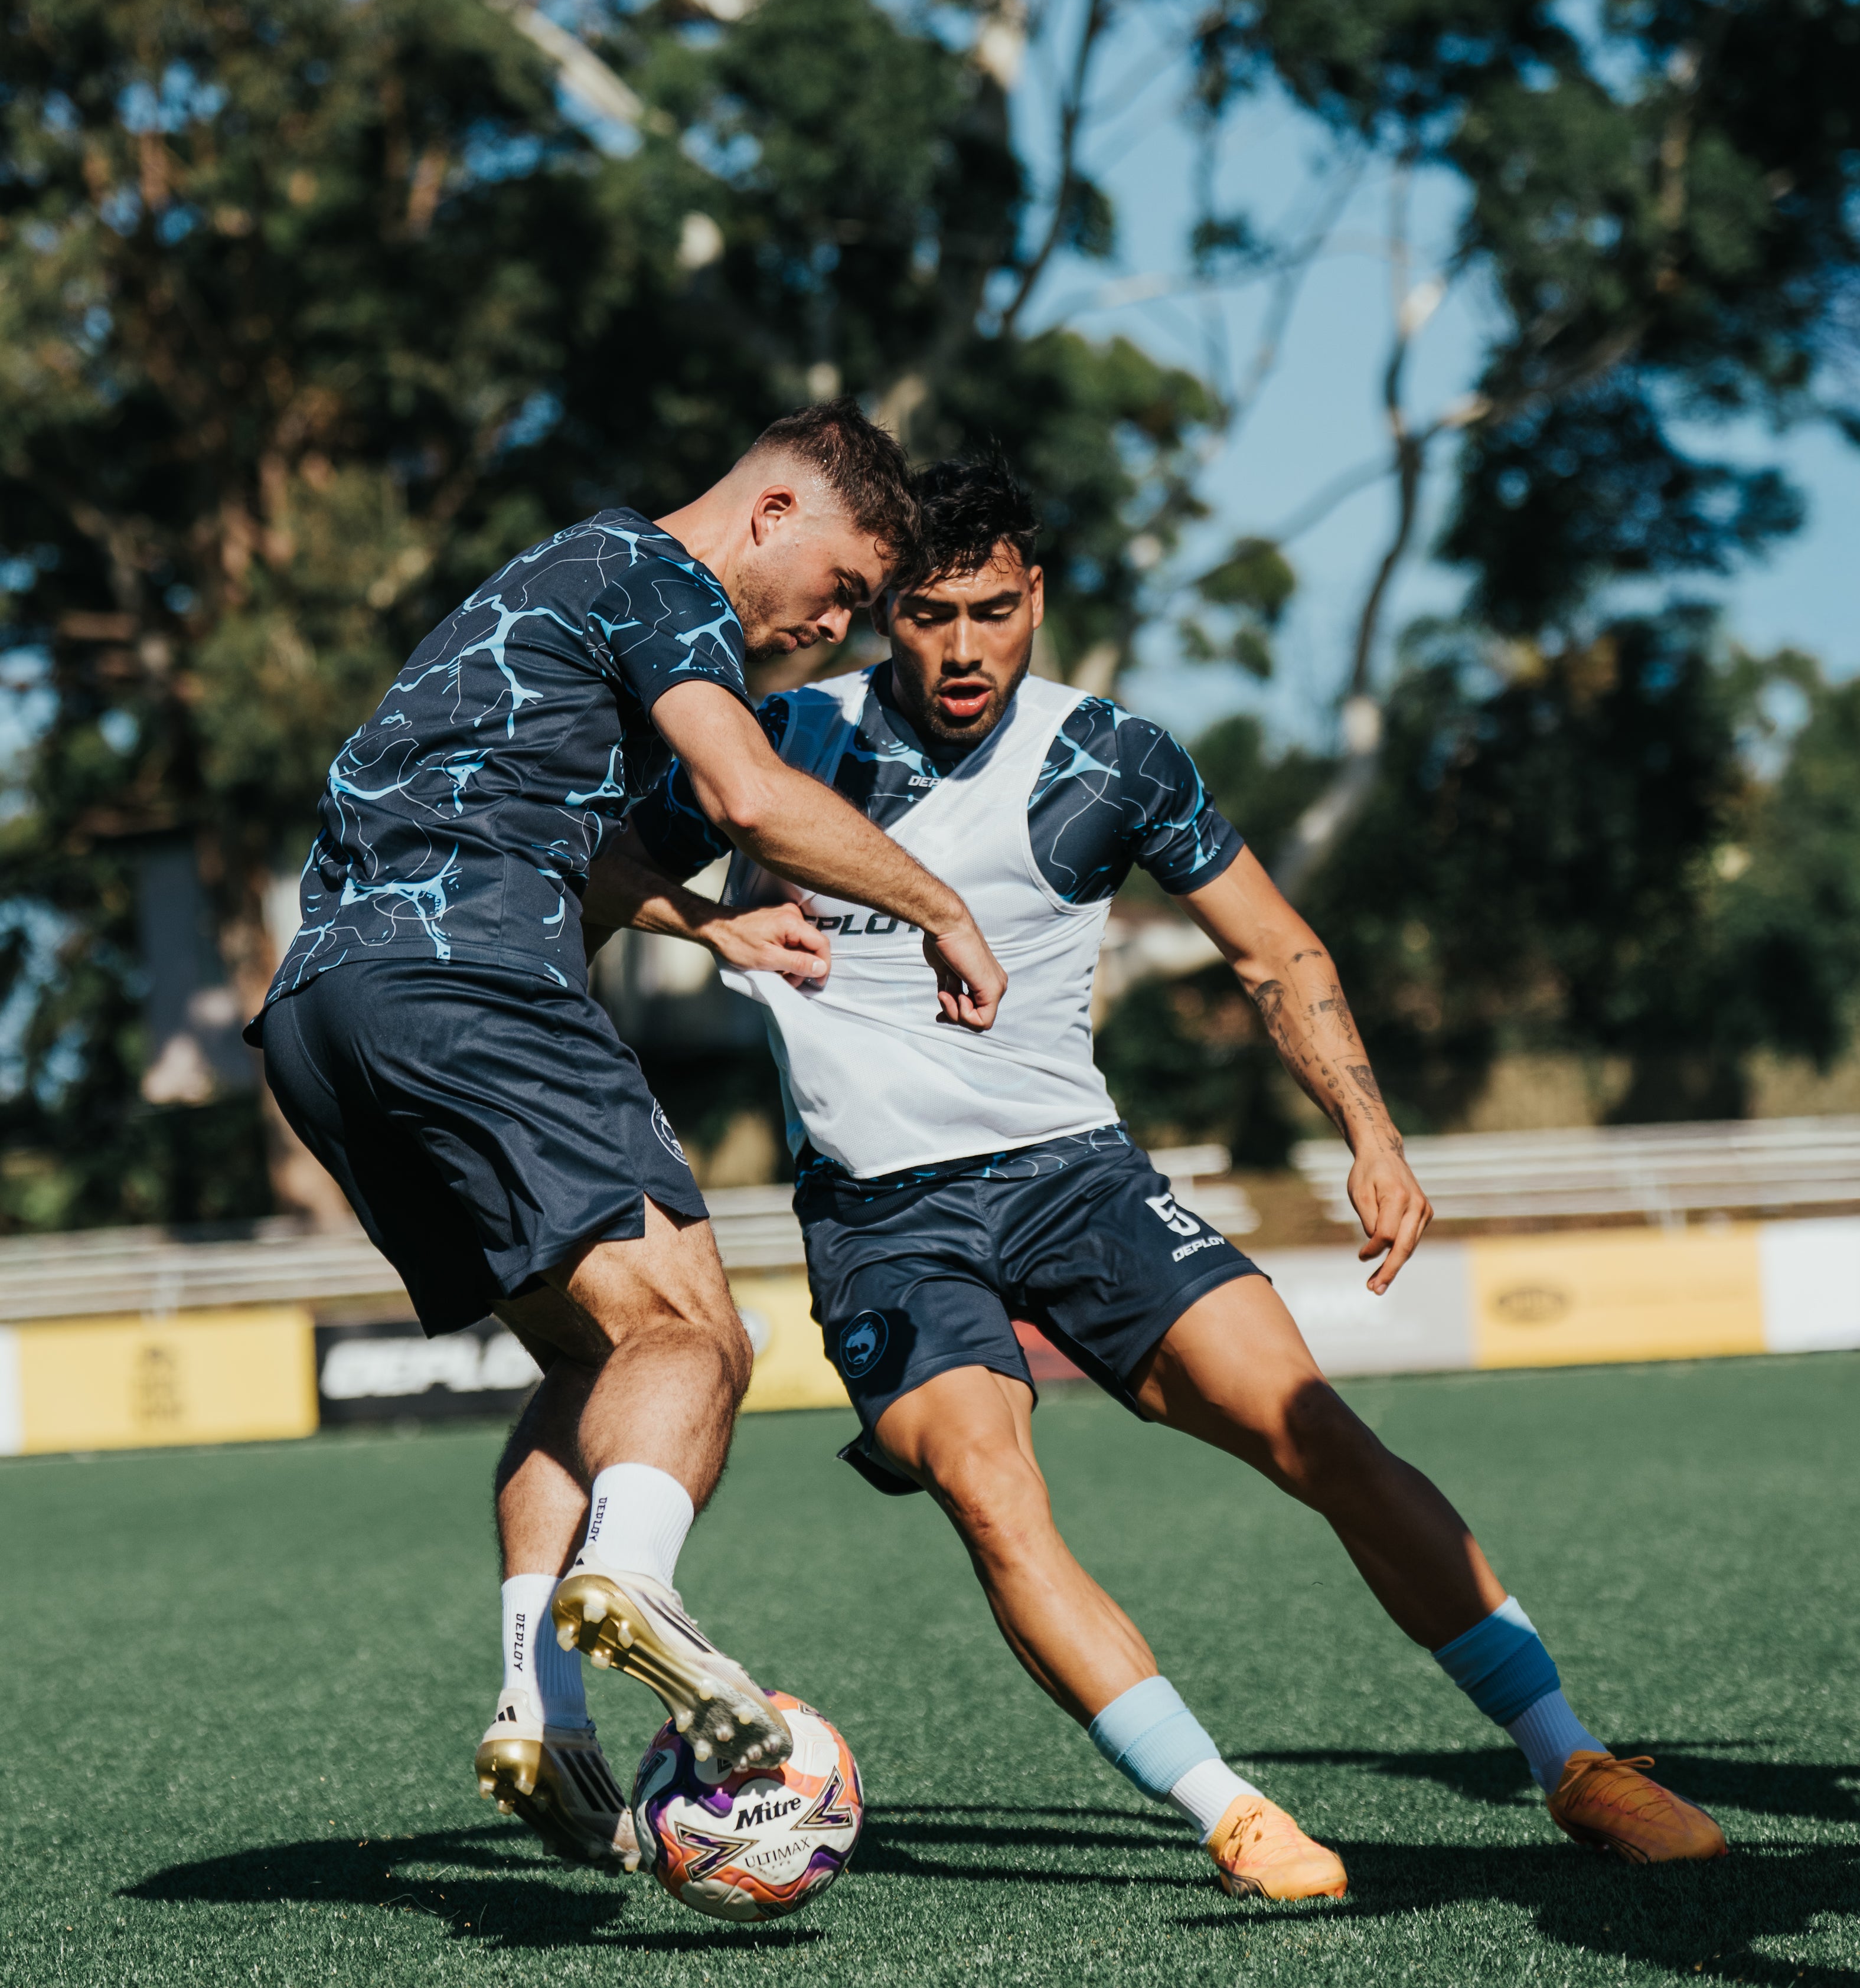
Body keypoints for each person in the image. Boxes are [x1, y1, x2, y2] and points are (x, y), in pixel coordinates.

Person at [596, 451, 1729, 1901]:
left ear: (1038, 597)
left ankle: (1572, 1758)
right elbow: (586, 862)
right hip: (884, 1218)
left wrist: (1370, 1132)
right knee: (993, 1496)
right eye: (928, 615)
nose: (959, 650)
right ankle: (1230, 1813)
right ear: (883, 612)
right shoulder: (777, 748)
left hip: (1080, 1179)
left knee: (1318, 1432)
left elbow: (1278, 952)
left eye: (991, 613)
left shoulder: (1110, 759)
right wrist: (714, 929)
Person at [248, 403, 1009, 1872]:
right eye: (844, 587)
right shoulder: (663, 580)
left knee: (592, 1364)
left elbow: (546, 828)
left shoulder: (547, 585)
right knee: (696, 1339)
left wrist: (703, 921)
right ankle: (640, 1590)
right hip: (472, 986)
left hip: (325, 1010)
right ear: (776, 510)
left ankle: (543, 1711)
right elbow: (746, 792)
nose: (829, 625)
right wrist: (943, 910)